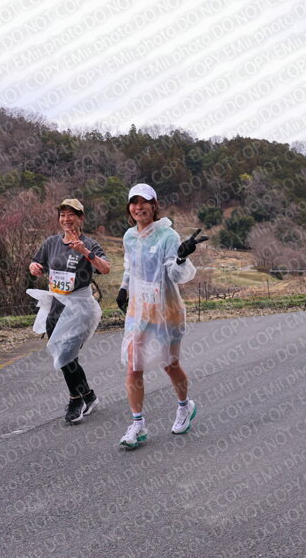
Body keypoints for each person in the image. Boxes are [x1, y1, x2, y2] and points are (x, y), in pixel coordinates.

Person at [116, 184, 207, 449]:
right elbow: (130, 266)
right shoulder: (129, 236)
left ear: (154, 205)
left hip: (166, 310)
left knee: (170, 364)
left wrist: (180, 258)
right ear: (129, 208)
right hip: (139, 309)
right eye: (134, 202)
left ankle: (184, 406)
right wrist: (123, 288)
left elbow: (175, 275)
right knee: (134, 364)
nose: (138, 207)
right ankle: (137, 424)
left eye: (144, 202)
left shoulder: (168, 235)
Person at [28, 199, 111, 423]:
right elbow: (36, 264)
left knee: (66, 354)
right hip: (56, 308)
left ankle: (76, 400)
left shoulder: (89, 244)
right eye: (62, 215)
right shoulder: (52, 243)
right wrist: (34, 268)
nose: (66, 219)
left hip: (80, 309)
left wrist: (85, 252)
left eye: (71, 214)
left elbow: (105, 268)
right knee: (65, 356)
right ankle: (89, 396)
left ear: (81, 218)